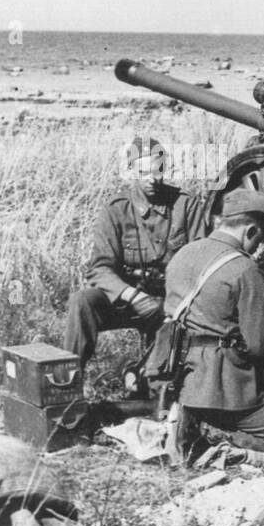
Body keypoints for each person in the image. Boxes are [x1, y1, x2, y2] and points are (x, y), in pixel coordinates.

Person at [153, 188, 264, 456]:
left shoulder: (182, 254)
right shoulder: (244, 269)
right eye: (259, 239)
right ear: (250, 231)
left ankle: (190, 419)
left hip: (177, 378)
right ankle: (211, 434)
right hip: (221, 387)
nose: (259, 248)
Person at [64, 136, 208, 371]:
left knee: (162, 376)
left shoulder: (185, 205)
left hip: (173, 301)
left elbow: (200, 262)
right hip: (127, 300)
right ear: (132, 171)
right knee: (82, 302)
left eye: (158, 171)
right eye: (143, 172)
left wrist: (175, 303)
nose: (152, 179)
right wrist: (132, 296)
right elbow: (99, 268)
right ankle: (68, 380)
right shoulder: (116, 210)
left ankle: (153, 380)